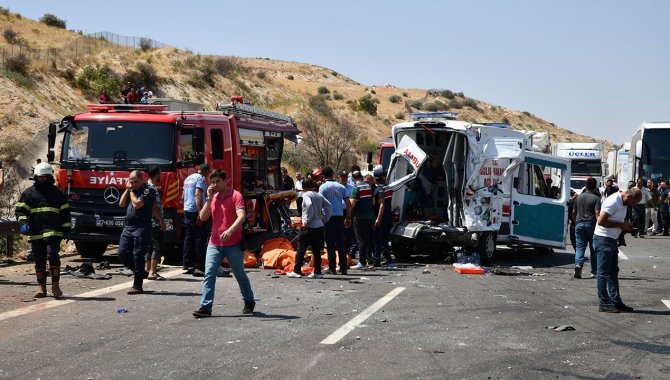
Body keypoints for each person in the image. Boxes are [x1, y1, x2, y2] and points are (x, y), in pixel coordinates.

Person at [193, 169, 256, 317]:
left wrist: (230, 230)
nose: (215, 184)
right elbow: (202, 217)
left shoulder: (236, 195)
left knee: (239, 273)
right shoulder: (213, 197)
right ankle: (206, 307)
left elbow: (241, 216)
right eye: (212, 182)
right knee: (209, 273)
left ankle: (249, 300)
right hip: (214, 243)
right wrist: (208, 199)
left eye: (218, 181)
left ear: (225, 181)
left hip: (233, 243)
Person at [15, 163, 70, 298]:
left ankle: (55, 286)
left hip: (54, 231)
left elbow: (65, 213)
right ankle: (41, 288)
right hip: (36, 232)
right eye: (39, 177)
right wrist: (23, 223)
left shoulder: (57, 193)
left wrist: (67, 229)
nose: (42, 179)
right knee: (39, 260)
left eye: (44, 177)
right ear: (35, 177)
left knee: (53, 256)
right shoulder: (28, 193)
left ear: (48, 176)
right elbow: (20, 210)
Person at [593, 188, 641, 313]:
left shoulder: (624, 202)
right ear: (629, 197)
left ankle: (615, 301)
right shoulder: (613, 201)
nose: (634, 206)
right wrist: (620, 225)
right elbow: (601, 221)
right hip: (603, 239)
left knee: (613, 272)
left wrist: (625, 225)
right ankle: (604, 302)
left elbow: (615, 219)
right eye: (634, 203)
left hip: (611, 240)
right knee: (602, 273)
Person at [118, 170, 157, 294]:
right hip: (129, 226)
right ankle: (140, 272)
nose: (133, 184)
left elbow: (137, 205)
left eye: (135, 182)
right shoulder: (132, 190)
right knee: (122, 252)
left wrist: (130, 191)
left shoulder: (149, 190)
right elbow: (121, 204)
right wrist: (127, 189)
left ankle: (137, 285)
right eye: (131, 182)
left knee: (138, 255)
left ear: (142, 179)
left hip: (142, 226)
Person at [287, 179, 332, 279]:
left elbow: (309, 205)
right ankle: (317, 272)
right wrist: (324, 219)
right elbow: (329, 206)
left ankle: (297, 271)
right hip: (319, 226)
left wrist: (306, 221)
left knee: (301, 248)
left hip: (310, 226)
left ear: (303, 187)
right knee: (316, 250)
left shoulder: (306, 195)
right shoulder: (318, 195)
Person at [319, 167, 351, 275]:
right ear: (333, 174)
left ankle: (332, 268)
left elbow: (320, 204)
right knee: (341, 243)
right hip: (340, 217)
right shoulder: (341, 187)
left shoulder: (323, 187)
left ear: (323, 176)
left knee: (330, 244)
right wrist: (348, 217)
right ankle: (343, 268)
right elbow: (348, 204)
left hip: (328, 218)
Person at [182, 164, 211, 276]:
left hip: (187, 210)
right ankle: (200, 265)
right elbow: (198, 194)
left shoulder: (188, 178)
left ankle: (187, 263)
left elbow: (183, 196)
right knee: (200, 237)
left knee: (188, 237)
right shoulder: (201, 178)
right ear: (206, 171)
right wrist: (200, 212)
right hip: (195, 211)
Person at [572, 178, 601, 279]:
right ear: (595, 186)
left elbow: (573, 212)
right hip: (591, 225)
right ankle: (594, 271)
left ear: (586, 185)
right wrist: (600, 225)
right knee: (594, 249)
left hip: (579, 224)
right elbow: (597, 214)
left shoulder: (578, 197)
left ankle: (578, 265)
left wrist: (576, 222)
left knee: (580, 247)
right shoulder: (596, 198)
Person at [348, 171, 375, 269]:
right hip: (369, 216)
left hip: (359, 217)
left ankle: (362, 262)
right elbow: (373, 202)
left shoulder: (356, 188)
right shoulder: (368, 187)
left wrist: (348, 215)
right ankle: (370, 260)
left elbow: (352, 204)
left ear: (353, 179)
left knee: (360, 240)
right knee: (367, 239)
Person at [145, 166, 166, 281]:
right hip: (155, 222)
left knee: (149, 247)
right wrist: (162, 221)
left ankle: (147, 269)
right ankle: (152, 272)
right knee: (157, 247)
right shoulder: (152, 188)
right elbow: (154, 207)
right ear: (157, 174)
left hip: (148, 222)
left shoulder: (147, 187)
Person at [372, 171, 395, 268]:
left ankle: (377, 260)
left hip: (382, 217)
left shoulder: (379, 189)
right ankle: (387, 259)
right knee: (383, 239)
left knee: (378, 239)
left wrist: (378, 218)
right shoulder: (388, 187)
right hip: (388, 216)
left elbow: (382, 205)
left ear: (375, 179)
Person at [338, 170, 357, 259]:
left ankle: (347, 253)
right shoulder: (336, 187)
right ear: (339, 177)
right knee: (339, 233)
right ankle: (339, 253)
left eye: (345, 177)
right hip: (338, 212)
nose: (344, 178)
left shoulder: (351, 188)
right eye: (342, 177)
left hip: (348, 212)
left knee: (348, 233)